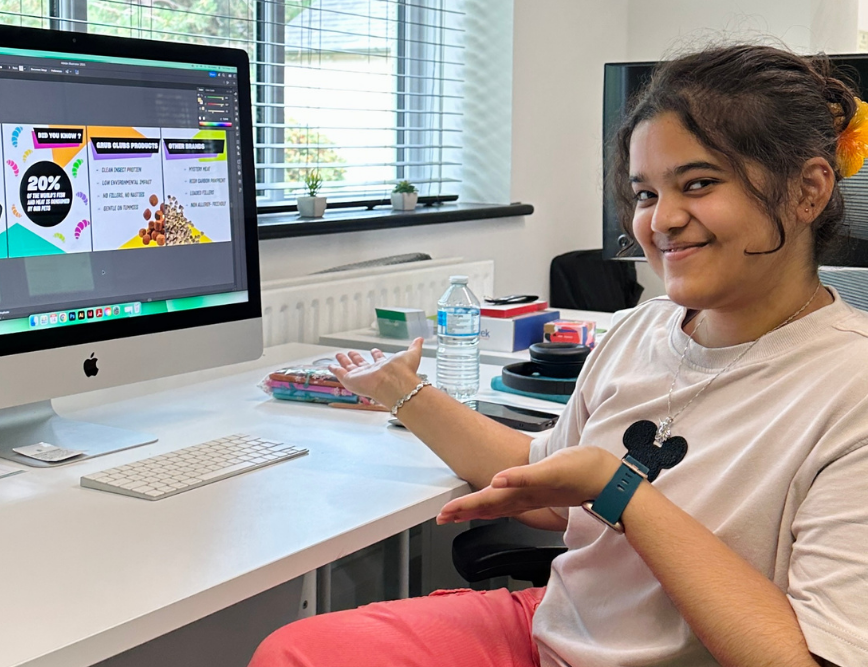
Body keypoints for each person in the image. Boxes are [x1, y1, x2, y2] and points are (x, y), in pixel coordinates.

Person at [249, 44, 868, 667]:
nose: (662, 221)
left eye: (699, 184)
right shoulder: (639, 330)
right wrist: (404, 392)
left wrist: (619, 490)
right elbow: (548, 489)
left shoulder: (850, 385)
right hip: (556, 631)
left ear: (807, 191)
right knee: (296, 653)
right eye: (646, 193)